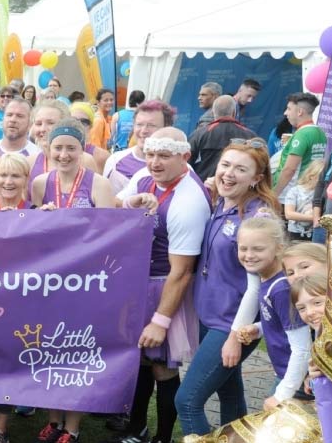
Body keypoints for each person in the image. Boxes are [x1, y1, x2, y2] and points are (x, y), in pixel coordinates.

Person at [174, 138, 279, 437]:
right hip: (209, 318)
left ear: (256, 178)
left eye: (240, 169)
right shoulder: (223, 202)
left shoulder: (257, 216)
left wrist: (235, 336)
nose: (229, 173)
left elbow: (256, 287)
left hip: (230, 324)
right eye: (225, 165)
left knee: (188, 401)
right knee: (229, 393)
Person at [116, 128, 211, 443]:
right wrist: (131, 201)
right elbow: (115, 207)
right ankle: (136, 428)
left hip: (164, 285)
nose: (155, 162)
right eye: (151, 154)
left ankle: (163, 437)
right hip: (137, 281)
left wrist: (161, 320)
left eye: (164, 156)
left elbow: (182, 271)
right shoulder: (146, 177)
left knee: (162, 367)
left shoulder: (188, 201)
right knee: (141, 361)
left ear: (184, 157)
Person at [31, 119, 114, 443]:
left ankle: (73, 426)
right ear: (49, 149)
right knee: (49, 350)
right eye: (58, 148)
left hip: (84, 285)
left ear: (82, 150)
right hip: (50, 284)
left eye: (71, 148)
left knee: (75, 353)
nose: (64, 154)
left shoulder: (98, 185)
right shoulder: (39, 183)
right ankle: (53, 419)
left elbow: (110, 238)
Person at [232, 217, 311, 411]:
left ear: (278, 248)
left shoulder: (281, 289)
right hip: (286, 374)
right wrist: (257, 329)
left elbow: (302, 347)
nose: (249, 255)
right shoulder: (267, 279)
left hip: (297, 381)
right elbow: (281, 321)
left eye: (258, 249)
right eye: (243, 248)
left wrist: (282, 394)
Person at [290, 273, 332, 439]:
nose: (310, 312)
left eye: (317, 303)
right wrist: (314, 378)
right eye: (301, 308)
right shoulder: (320, 338)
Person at [103, 101, 175, 195]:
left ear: (166, 128)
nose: (144, 131)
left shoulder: (177, 166)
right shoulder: (115, 161)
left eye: (151, 125)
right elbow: (106, 203)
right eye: (139, 124)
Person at [187, 95, 256, 180]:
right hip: (236, 188)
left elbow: (185, 165)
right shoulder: (250, 136)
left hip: (205, 189)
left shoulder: (198, 134)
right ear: (234, 112)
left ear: (213, 112)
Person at [272, 92, 326, 198]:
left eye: (289, 109)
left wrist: (274, 194)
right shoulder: (320, 132)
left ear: (300, 112)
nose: (285, 113)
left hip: (290, 196)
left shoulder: (302, 135)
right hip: (308, 192)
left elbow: (289, 169)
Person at [282, 159, 322, 242]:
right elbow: (289, 214)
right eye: (321, 177)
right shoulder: (295, 191)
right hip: (295, 234)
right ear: (311, 176)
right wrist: (315, 218)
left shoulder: (323, 194)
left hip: (314, 233)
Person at [70, 102, 110, 174]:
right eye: (73, 120)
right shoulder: (57, 153)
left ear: (91, 126)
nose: (78, 125)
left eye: (84, 122)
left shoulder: (101, 156)